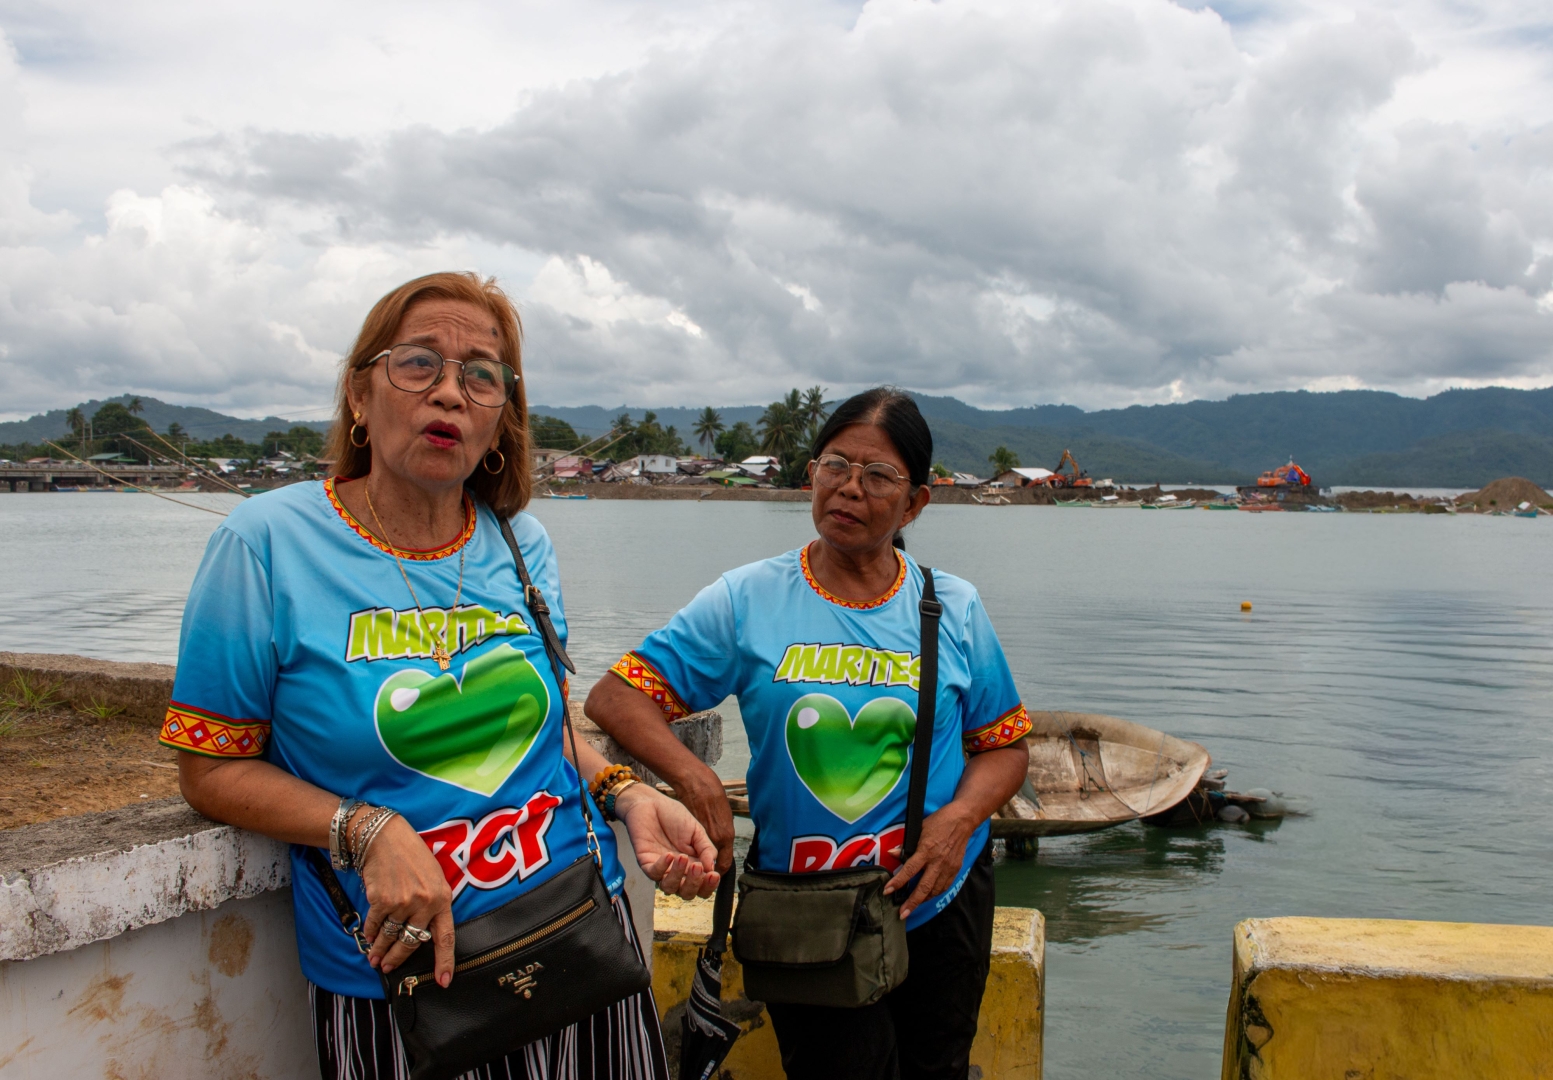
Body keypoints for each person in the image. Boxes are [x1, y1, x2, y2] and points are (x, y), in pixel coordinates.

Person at [164, 271, 716, 1080]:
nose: (450, 392)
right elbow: (210, 768)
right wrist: (367, 829)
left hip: (576, 933)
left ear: (499, 424)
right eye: (418, 363)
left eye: (481, 375)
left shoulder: (521, 545)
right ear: (360, 396)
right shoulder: (267, 543)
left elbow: (546, 735)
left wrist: (625, 793)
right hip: (407, 977)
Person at [587, 387, 1033, 1080]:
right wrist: (695, 778)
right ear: (811, 475)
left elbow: (1003, 746)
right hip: (806, 911)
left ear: (914, 503)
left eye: (878, 475)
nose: (849, 488)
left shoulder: (952, 607)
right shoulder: (747, 598)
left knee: (938, 1068)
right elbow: (617, 698)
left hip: (937, 901)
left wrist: (960, 820)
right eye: (835, 465)